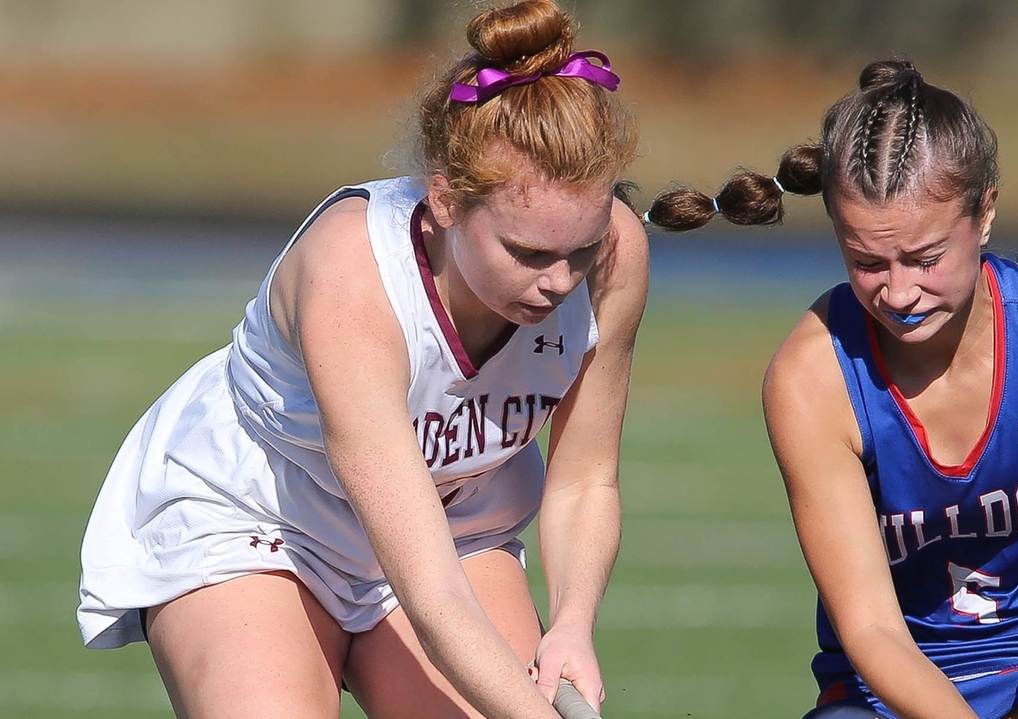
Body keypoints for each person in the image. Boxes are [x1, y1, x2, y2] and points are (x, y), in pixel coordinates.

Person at [76, 1, 645, 717]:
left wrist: (571, 624)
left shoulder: (617, 256)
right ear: (445, 201)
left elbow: (585, 478)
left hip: (458, 524)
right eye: (527, 252)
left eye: (580, 248)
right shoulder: (353, 276)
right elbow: (434, 597)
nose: (560, 282)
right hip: (263, 518)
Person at [642, 60, 1018, 719]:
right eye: (866, 261)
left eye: (925, 258)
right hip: (896, 676)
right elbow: (871, 628)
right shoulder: (812, 378)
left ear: (985, 212)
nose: (897, 293)